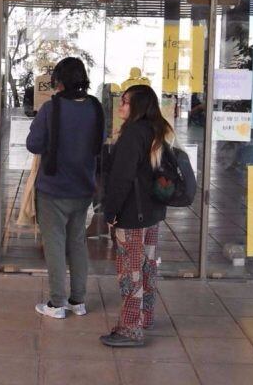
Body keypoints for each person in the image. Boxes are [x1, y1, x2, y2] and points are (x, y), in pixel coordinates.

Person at [26, 57, 104, 319]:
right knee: (78, 242)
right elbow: (99, 143)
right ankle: (78, 300)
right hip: (83, 188)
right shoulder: (95, 107)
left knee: (55, 245)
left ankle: (57, 303)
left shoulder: (51, 108)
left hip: (53, 188)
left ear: (58, 81)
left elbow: (34, 144)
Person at [100, 84, 172, 347]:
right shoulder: (157, 130)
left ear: (138, 106)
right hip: (151, 214)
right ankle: (145, 317)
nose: (120, 106)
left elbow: (122, 177)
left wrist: (110, 211)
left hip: (132, 215)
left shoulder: (133, 133)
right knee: (146, 268)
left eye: (126, 101)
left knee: (130, 272)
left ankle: (130, 328)